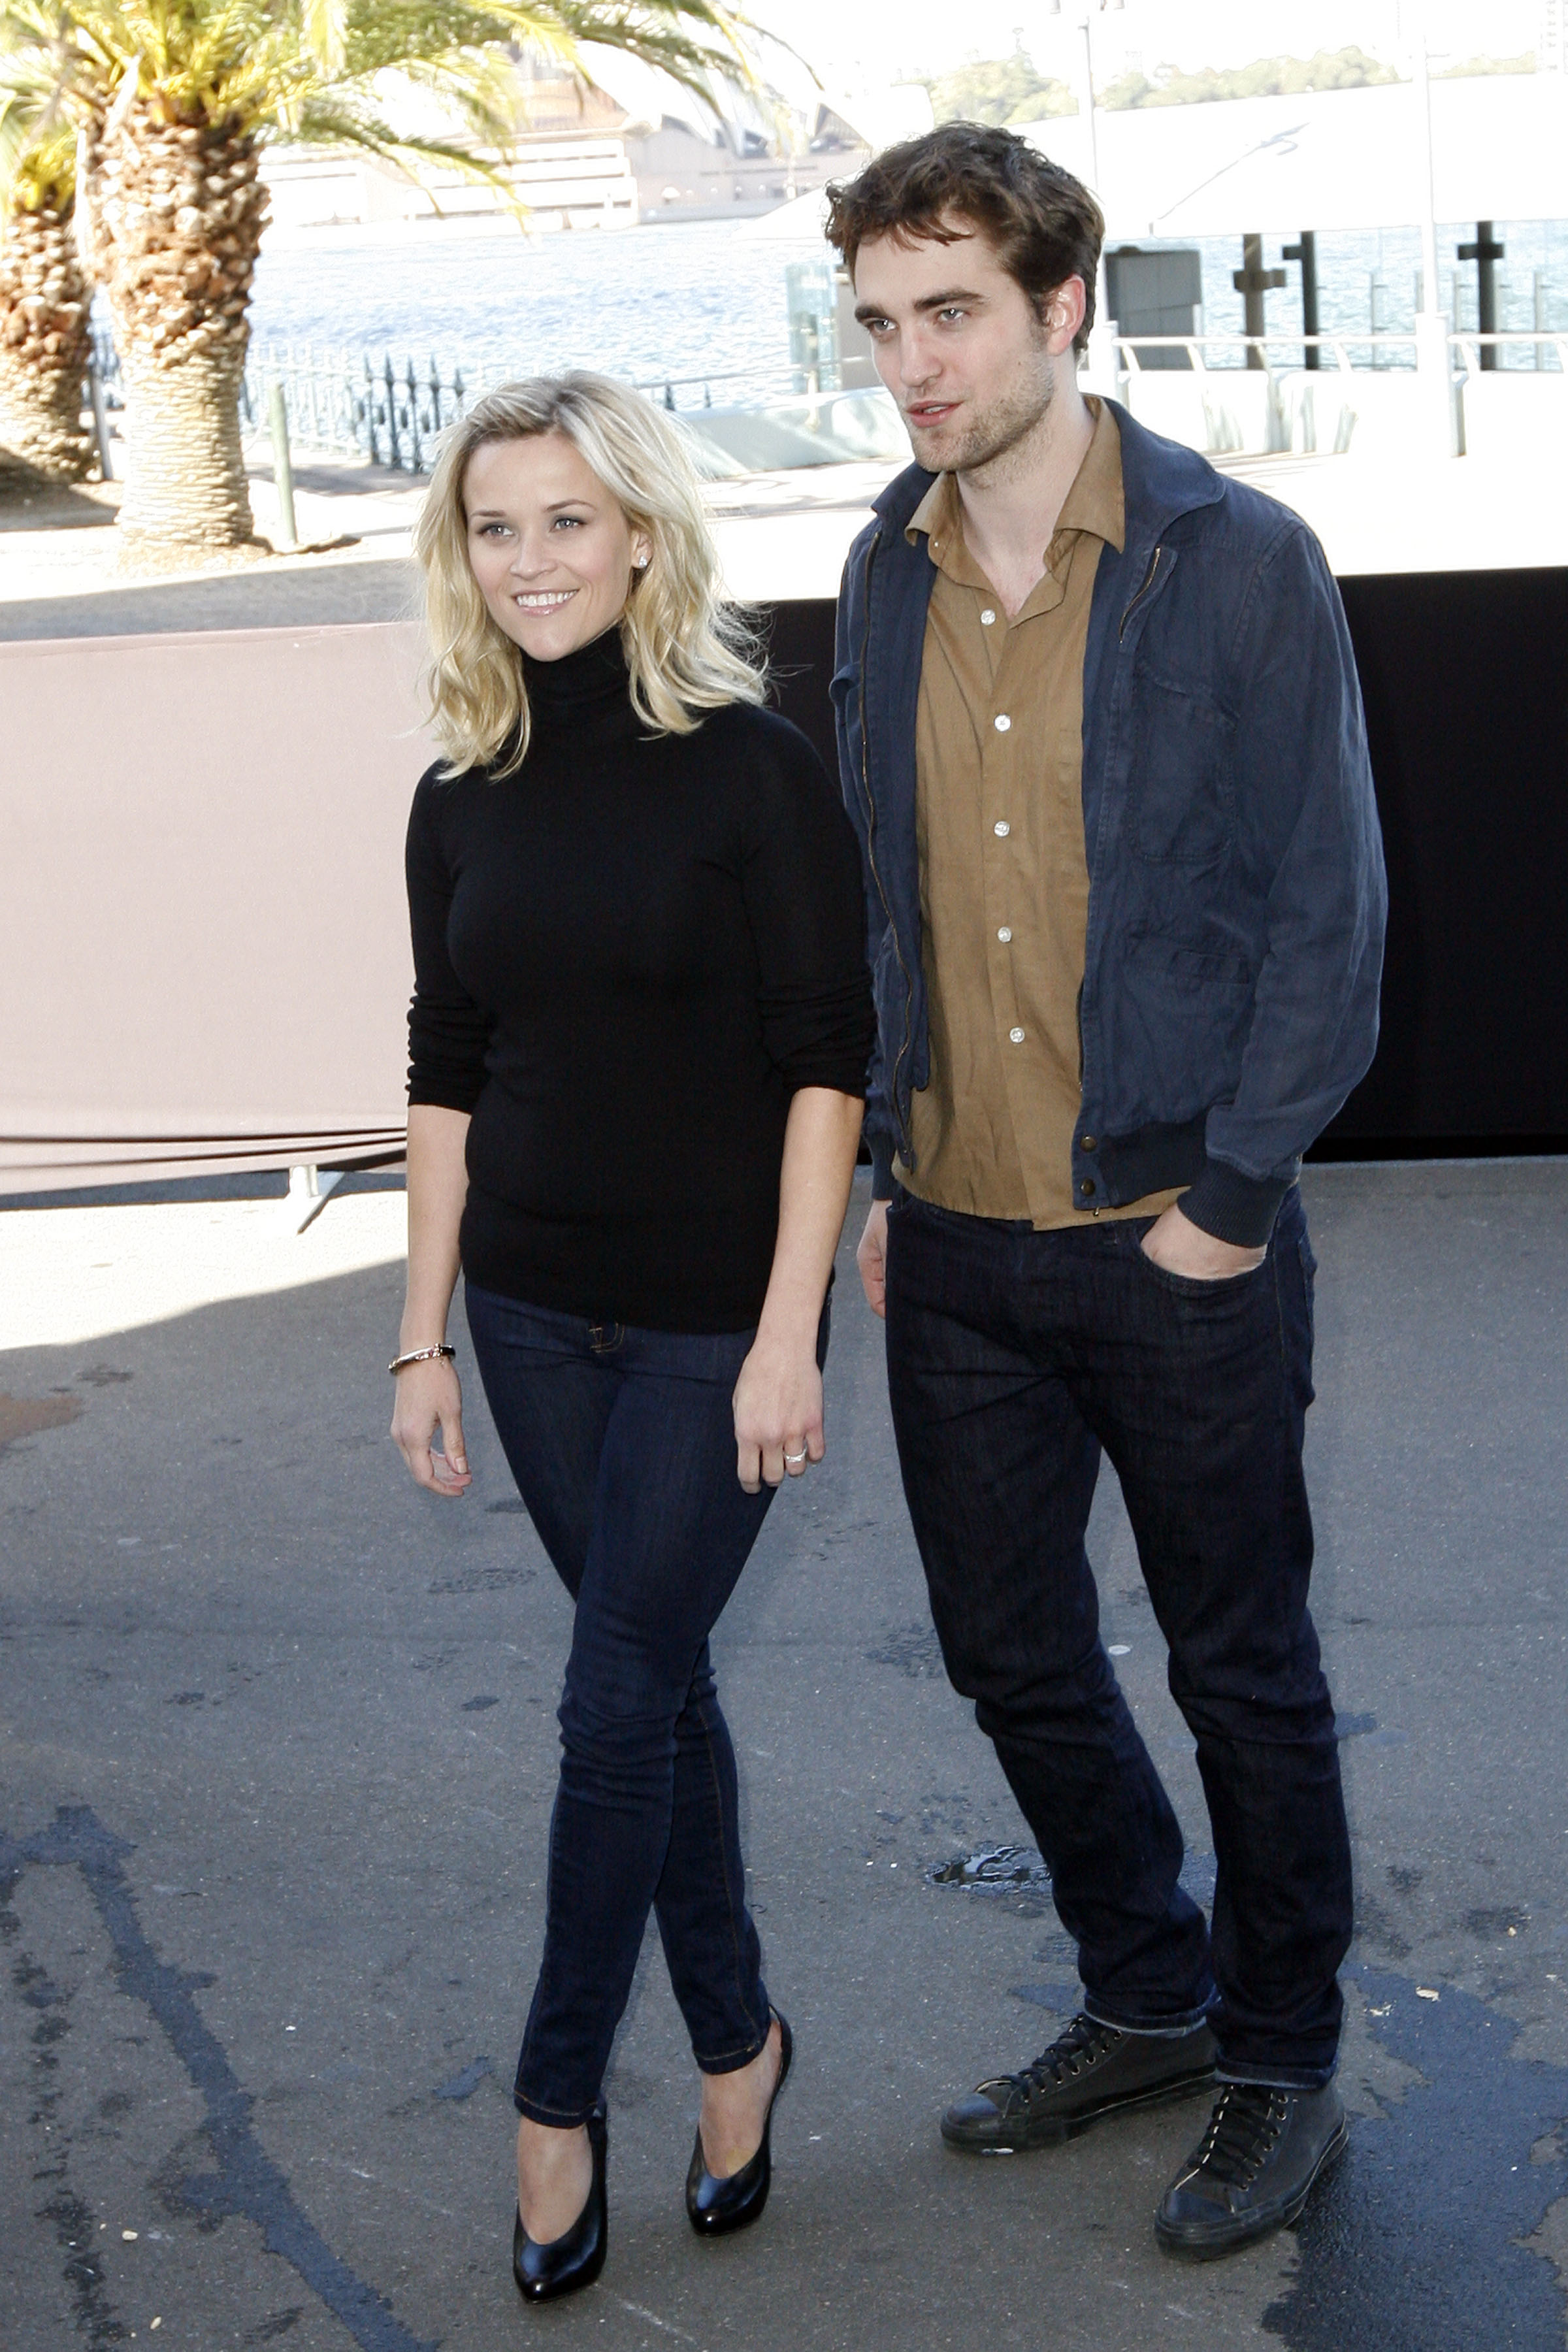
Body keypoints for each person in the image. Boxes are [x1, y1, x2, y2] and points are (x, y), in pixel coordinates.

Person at [826, 125, 1386, 2259]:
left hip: (1179, 1242)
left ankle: (1279, 2059)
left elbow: (1328, 918)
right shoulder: (882, 571)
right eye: (880, 322)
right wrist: (893, 1166)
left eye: (952, 312)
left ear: (1062, 307)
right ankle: (1149, 1992)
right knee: (1011, 1653)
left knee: (1242, 1671)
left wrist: (1229, 1203)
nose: (913, 362)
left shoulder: (1233, 561)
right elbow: (888, 901)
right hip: (960, 1239)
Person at [390, 372, 872, 2304]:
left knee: (609, 1710)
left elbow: (828, 1067)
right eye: (496, 526)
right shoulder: (453, 797)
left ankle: (554, 2104)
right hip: (524, 1317)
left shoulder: (753, 771)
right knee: (651, 1687)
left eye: (568, 520)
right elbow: (445, 1070)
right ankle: (740, 2042)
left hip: (706, 1334)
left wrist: (787, 1335)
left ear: (647, 536)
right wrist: (420, 1339)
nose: (532, 561)